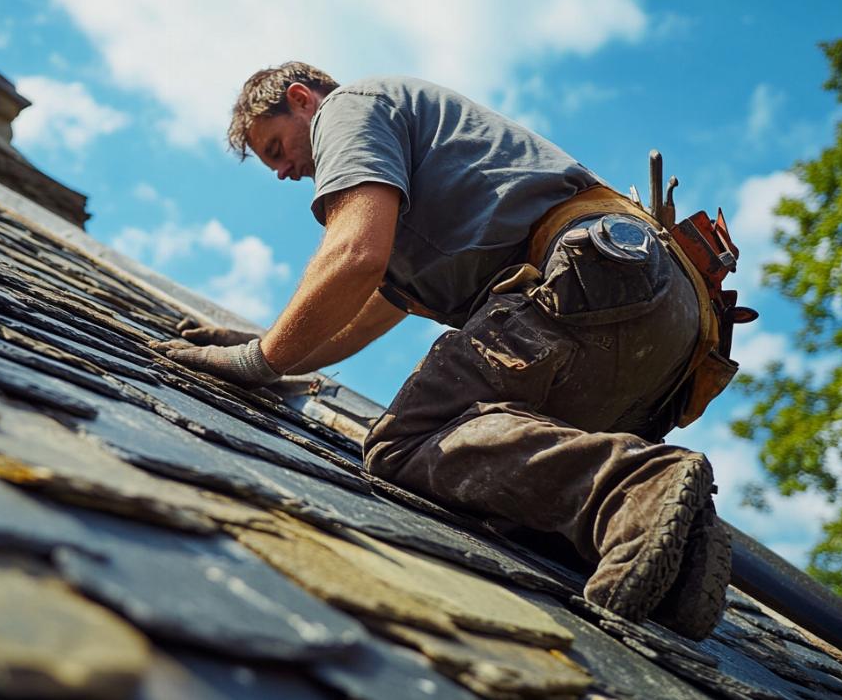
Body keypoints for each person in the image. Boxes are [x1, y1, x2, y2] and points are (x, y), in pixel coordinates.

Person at [154, 62, 732, 639]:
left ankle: (634, 487)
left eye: (275, 148)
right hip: (653, 329)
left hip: (588, 284)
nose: (282, 172)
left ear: (302, 100)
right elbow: (362, 315)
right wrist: (269, 347)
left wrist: (254, 363)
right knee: (504, 507)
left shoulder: (348, 109)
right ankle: (670, 564)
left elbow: (355, 254)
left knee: (404, 442)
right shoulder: (416, 176)